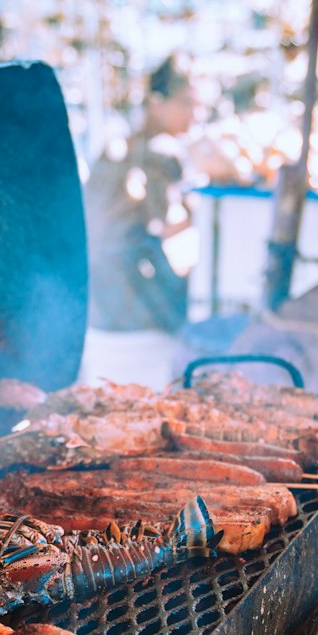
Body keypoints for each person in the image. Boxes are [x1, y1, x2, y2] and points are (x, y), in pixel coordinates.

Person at [81, 59, 197, 389]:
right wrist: (196, 209)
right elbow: (168, 223)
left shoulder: (116, 148)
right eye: (186, 103)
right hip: (138, 308)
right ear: (156, 103)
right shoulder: (159, 153)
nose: (194, 115)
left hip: (99, 308)